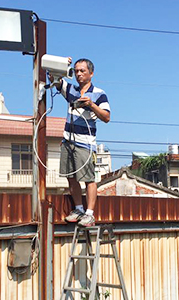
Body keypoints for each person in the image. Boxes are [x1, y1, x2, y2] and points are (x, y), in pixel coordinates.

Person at [53, 58, 110, 227]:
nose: (78, 74)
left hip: (85, 143)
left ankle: (90, 214)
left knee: (88, 178)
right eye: (76, 71)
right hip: (68, 141)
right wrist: (64, 64)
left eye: (82, 71)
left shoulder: (99, 93)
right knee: (71, 176)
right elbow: (53, 77)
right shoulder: (71, 90)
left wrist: (91, 104)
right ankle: (78, 209)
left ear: (91, 73)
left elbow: (106, 117)